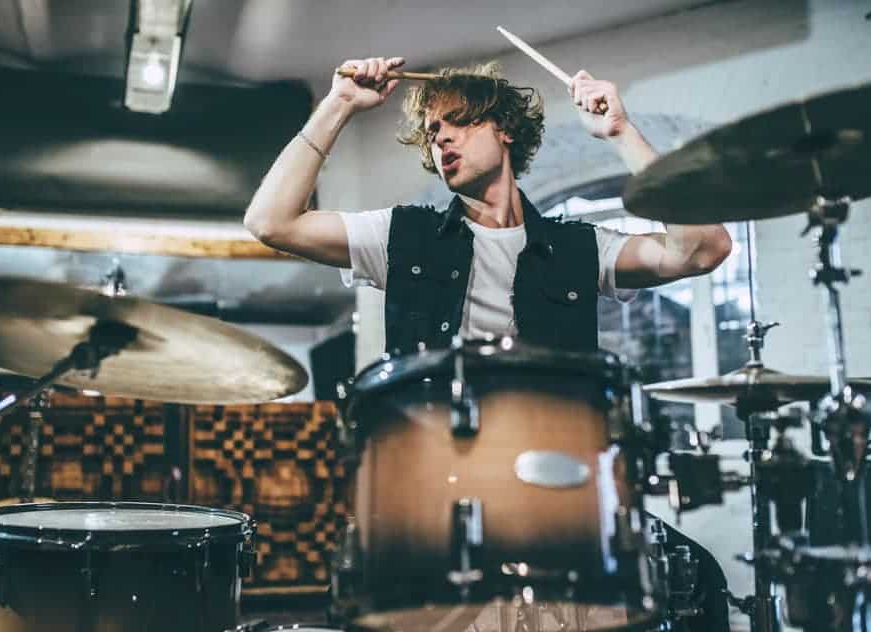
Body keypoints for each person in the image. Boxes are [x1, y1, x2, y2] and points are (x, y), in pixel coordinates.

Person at [245, 57, 732, 629]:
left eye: (458, 122)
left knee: (695, 579)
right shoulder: (402, 235)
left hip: (560, 510)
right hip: (434, 510)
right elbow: (270, 221)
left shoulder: (581, 249)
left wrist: (621, 132)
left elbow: (703, 249)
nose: (441, 138)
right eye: (433, 132)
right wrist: (340, 105)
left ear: (503, 127)